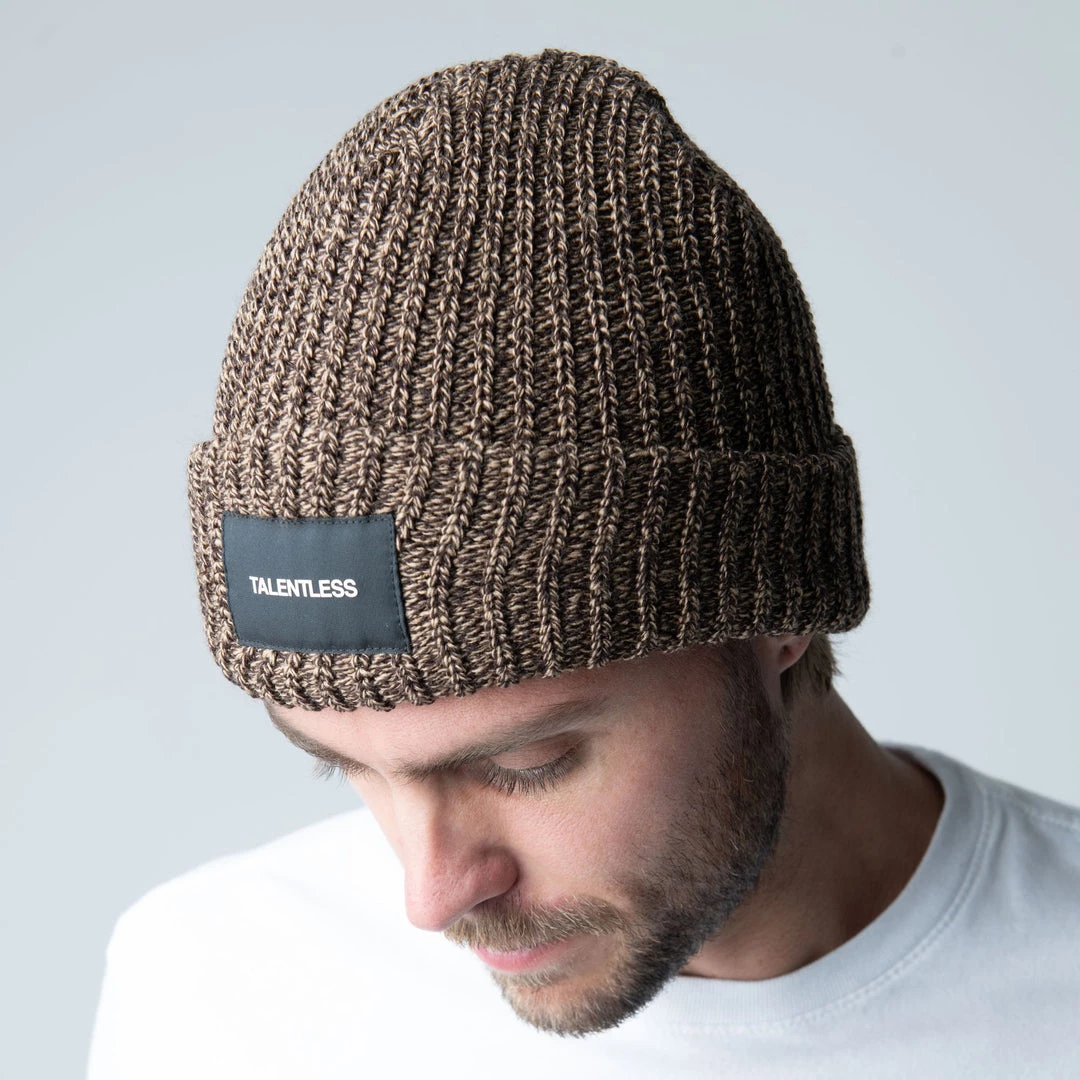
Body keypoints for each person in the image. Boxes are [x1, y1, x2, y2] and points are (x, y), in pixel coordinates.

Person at [87, 47, 1080, 1078]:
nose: (432, 894)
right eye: (344, 766)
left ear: (777, 609)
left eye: (528, 765)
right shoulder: (209, 994)